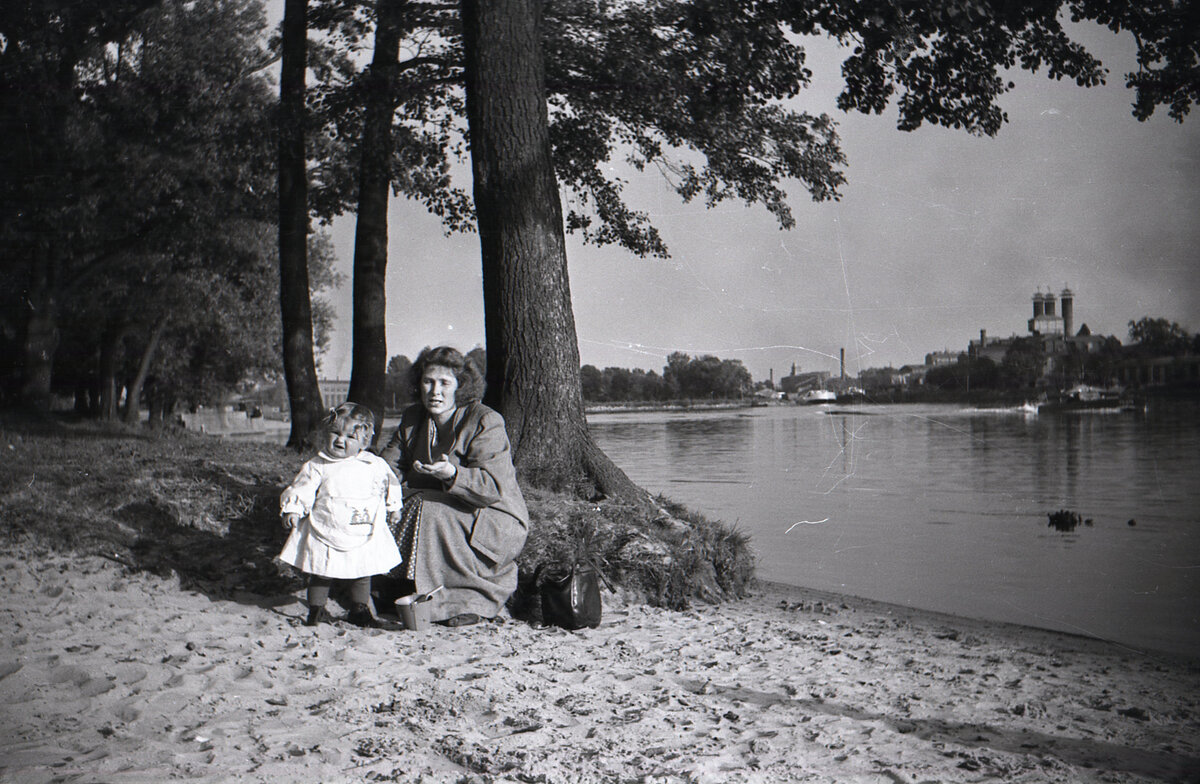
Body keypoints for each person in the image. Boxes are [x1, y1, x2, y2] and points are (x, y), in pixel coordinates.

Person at [379, 346, 529, 627]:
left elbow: (491, 488)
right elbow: (389, 466)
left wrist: (451, 474)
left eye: (444, 383)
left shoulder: (485, 420)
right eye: (428, 381)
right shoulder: (413, 418)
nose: (435, 391)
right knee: (398, 503)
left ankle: (466, 601)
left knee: (428, 508)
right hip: (439, 508)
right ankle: (396, 586)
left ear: (460, 387)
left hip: (494, 518)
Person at [278, 402, 403, 628]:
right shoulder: (318, 465)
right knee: (320, 570)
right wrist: (294, 508)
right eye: (335, 433)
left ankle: (359, 609)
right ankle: (316, 610)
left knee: (363, 571)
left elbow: (390, 483)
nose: (340, 440)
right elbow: (302, 487)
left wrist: (394, 506)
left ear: (364, 442)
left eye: (349, 437)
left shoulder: (373, 464)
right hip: (326, 526)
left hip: (362, 527)